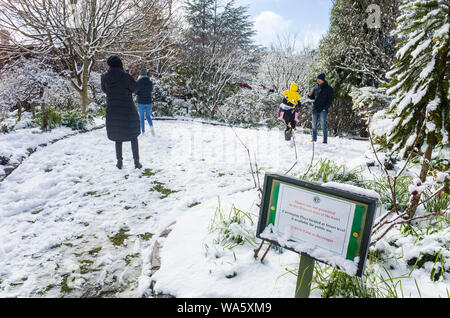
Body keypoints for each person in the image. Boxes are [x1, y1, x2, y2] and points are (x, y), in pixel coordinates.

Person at [101, 56, 143, 170]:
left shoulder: (104, 77)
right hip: (127, 110)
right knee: (133, 136)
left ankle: (119, 161)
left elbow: (104, 90)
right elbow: (136, 89)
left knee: (117, 135)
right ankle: (136, 162)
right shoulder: (126, 77)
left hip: (113, 110)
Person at [307, 73, 334, 144]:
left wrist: (325, 108)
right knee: (314, 125)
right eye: (317, 79)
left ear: (323, 80)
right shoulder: (316, 87)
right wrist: (309, 95)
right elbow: (313, 97)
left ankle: (325, 140)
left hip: (323, 110)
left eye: (320, 79)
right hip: (315, 108)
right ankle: (314, 139)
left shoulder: (329, 88)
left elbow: (330, 100)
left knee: (323, 125)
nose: (318, 80)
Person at [135, 68, 155, 136]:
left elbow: (136, 91)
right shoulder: (150, 82)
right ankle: (151, 127)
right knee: (148, 116)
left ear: (140, 74)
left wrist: (139, 94)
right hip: (149, 102)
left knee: (141, 117)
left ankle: (143, 132)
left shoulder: (138, 82)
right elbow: (151, 90)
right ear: (146, 74)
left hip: (141, 102)